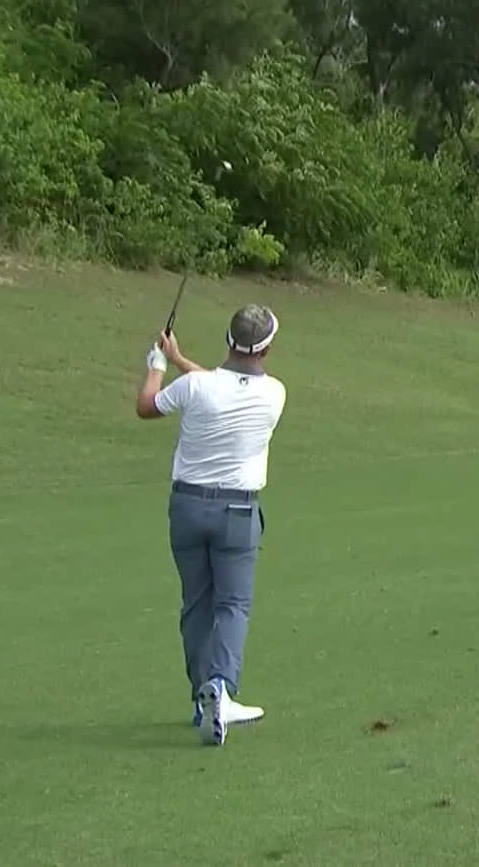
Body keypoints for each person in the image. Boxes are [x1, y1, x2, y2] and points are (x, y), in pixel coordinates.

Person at [134, 303, 288, 746]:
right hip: (237, 515)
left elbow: (148, 405)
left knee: (196, 606)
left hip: (187, 509)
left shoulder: (196, 388)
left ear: (229, 339)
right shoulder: (274, 393)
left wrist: (159, 365)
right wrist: (179, 361)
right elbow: (225, 388)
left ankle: (202, 697)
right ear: (268, 347)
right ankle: (220, 688)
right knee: (233, 606)